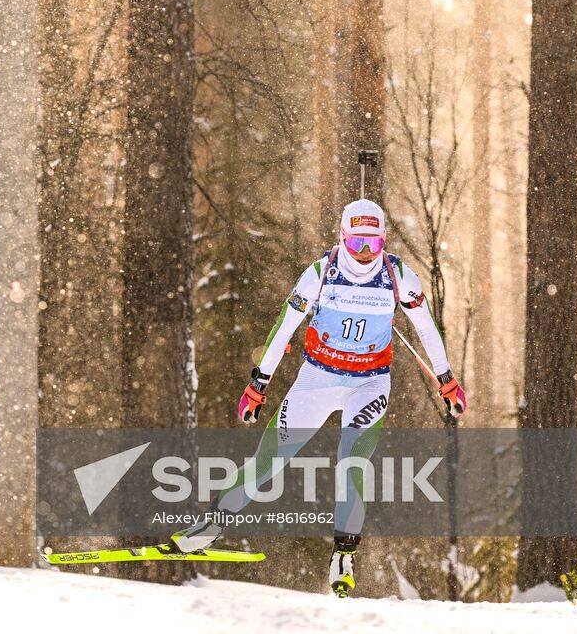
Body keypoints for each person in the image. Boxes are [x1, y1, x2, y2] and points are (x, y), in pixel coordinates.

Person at [167, 198, 467, 596]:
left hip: (369, 384)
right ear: (342, 237)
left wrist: (446, 380)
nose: (364, 254)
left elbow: (427, 330)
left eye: (373, 245)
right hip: (317, 379)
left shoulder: (398, 277)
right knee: (269, 459)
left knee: (351, 464)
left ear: (384, 241)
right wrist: (258, 384)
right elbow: (283, 328)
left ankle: (344, 554)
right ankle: (213, 525)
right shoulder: (319, 274)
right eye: (357, 243)